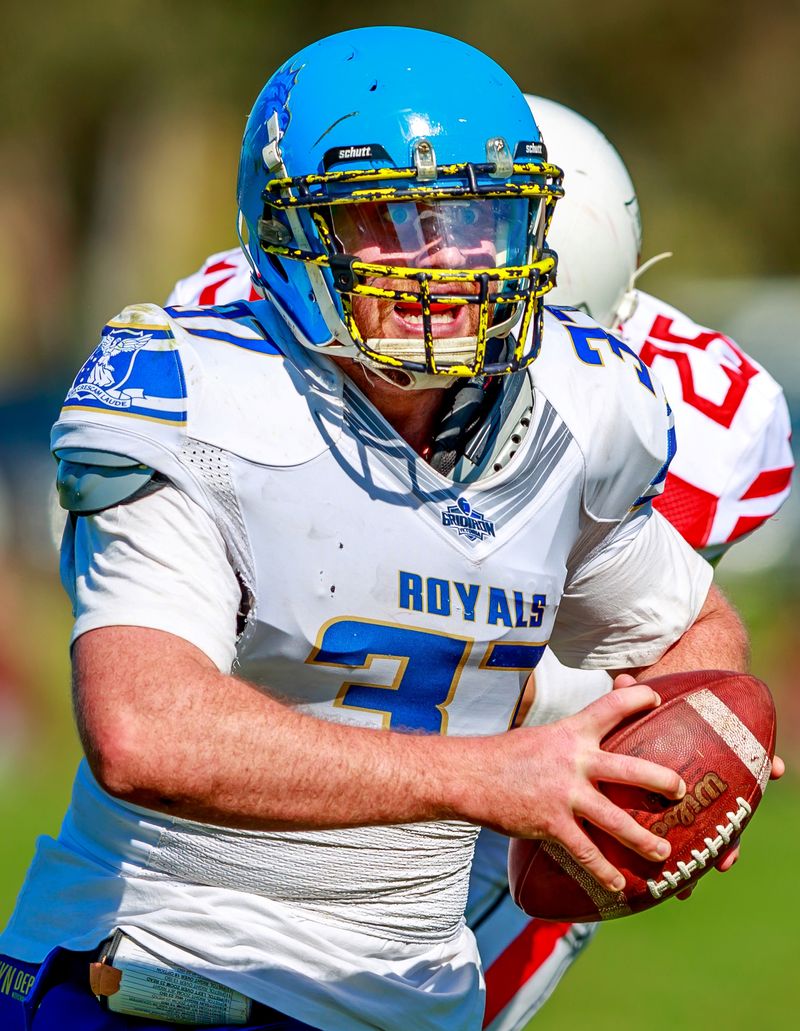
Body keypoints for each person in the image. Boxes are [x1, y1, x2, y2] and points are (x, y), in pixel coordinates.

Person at [0, 28, 756, 1031]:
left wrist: (659, 777)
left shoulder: (580, 402)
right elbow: (145, 729)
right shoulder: (196, 397)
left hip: (413, 997)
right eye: (385, 219)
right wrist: (497, 776)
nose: (440, 259)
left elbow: (689, 633)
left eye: (474, 216)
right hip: (161, 974)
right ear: (288, 231)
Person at [165, 94, 794, 1030]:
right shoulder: (235, 327)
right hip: (265, 800)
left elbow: (633, 627)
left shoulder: (665, 406)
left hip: (512, 806)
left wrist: (673, 761)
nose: (457, 347)